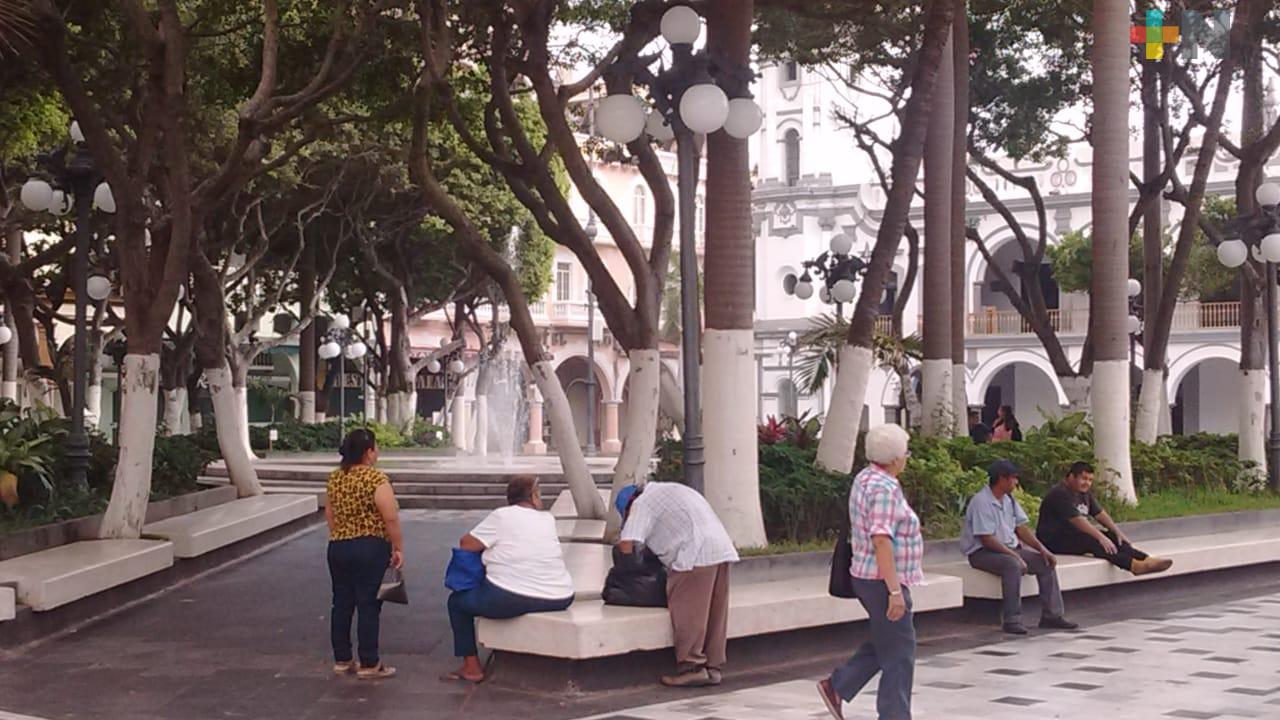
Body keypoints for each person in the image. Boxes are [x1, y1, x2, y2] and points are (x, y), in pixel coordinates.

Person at [816, 424, 923, 720]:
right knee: (900, 654)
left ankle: (838, 685)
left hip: (865, 575)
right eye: (906, 453)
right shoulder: (884, 488)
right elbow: (881, 539)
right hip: (881, 580)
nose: (907, 458)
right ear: (895, 458)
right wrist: (894, 591)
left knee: (887, 641)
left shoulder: (865, 478)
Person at [443, 476, 574, 683]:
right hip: (561, 596)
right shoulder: (547, 518)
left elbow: (466, 543)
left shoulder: (502, 516)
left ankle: (472, 667)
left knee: (456, 603)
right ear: (533, 497)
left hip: (510, 596)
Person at [616, 481, 739, 688]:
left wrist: (626, 573)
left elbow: (627, 544)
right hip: (721, 548)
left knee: (689, 611)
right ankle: (713, 667)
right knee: (715, 612)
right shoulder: (671, 490)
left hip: (694, 553)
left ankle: (692, 667)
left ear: (628, 506)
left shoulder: (641, 503)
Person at [961, 460, 1077, 635]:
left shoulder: (1009, 500)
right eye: (1013, 479)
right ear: (1002, 479)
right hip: (983, 552)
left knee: (1045, 562)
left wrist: (1042, 549)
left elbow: (1021, 528)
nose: (1016, 483)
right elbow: (986, 538)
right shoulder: (981, 501)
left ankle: (1052, 615)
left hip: (1009, 548)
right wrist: (1015, 556)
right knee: (1012, 566)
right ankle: (1012, 619)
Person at [326, 428, 403, 679]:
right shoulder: (376, 479)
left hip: (339, 546)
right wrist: (397, 547)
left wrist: (341, 536)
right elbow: (390, 517)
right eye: (376, 447)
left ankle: (342, 659)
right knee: (368, 604)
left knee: (342, 603)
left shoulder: (335, 478)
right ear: (368, 452)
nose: (378, 452)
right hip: (370, 547)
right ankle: (369, 662)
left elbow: (330, 515)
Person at [1037, 462, 1173, 575]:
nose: (1087, 483)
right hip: (1054, 540)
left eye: (1090, 480)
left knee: (1112, 537)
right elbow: (1078, 521)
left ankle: (1145, 559)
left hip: (1073, 535)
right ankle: (1133, 566)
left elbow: (1099, 514)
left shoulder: (1084, 493)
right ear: (1071, 477)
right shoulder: (1059, 494)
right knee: (1094, 541)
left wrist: (1117, 532)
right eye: (1083, 479)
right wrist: (1101, 538)